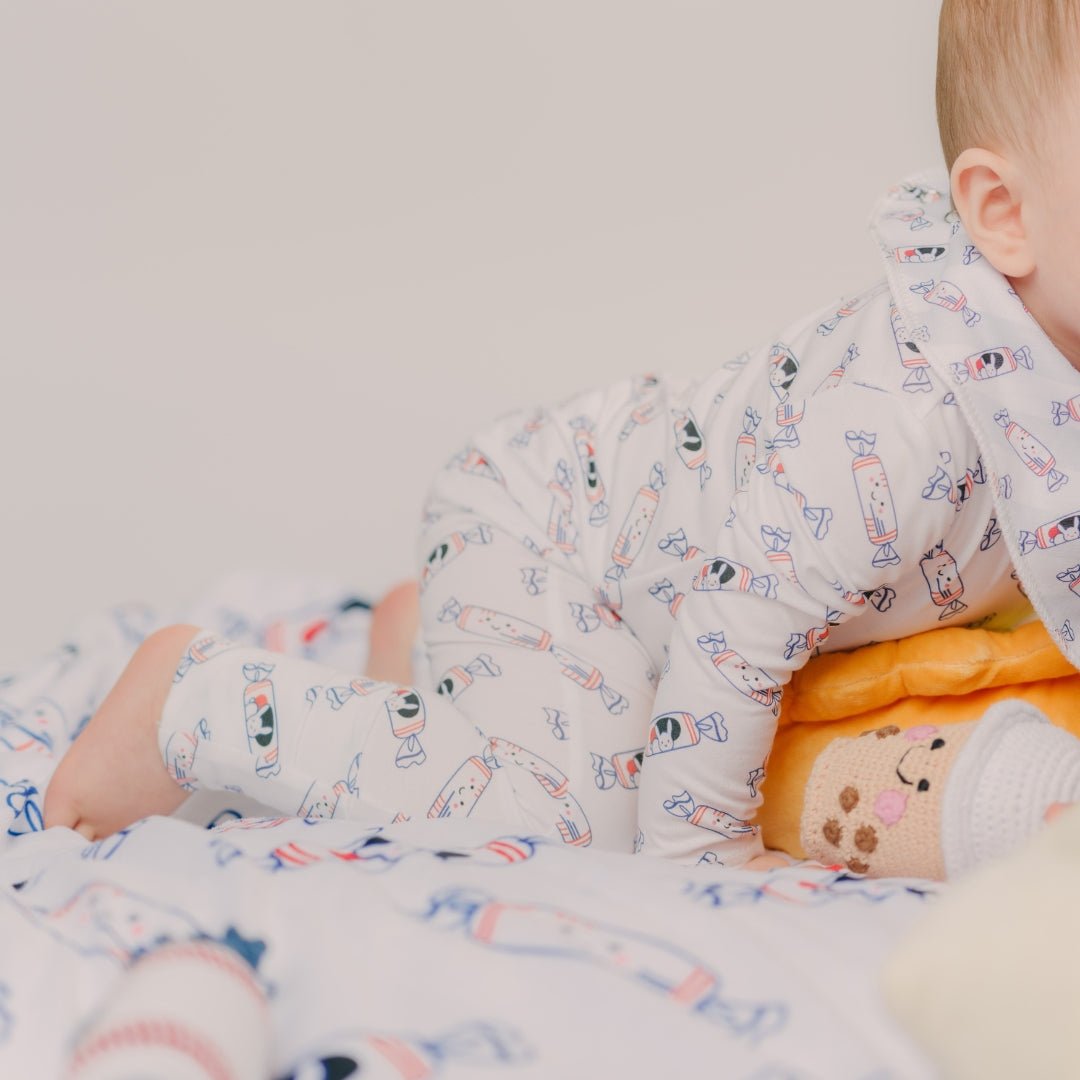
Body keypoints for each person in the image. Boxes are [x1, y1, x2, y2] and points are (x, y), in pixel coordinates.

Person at [42, 0, 1080, 869]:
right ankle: (201, 701)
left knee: (573, 730)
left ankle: (419, 650)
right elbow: (735, 625)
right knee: (576, 817)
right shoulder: (905, 421)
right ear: (1002, 212)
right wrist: (705, 857)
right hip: (556, 530)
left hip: (617, 567)